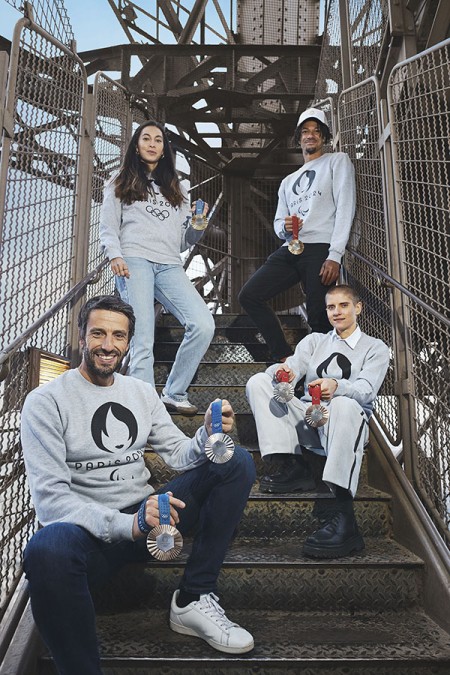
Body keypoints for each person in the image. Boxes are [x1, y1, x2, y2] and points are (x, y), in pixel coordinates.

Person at [21, 295, 256, 675]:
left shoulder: (140, 392)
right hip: (91, 536)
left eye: (118, 335)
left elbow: (179, 453)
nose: (108, 345)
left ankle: (193, 598)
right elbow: (51, 502)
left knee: (234, 460)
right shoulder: (46, 402)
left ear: (129, 342)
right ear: (82, 337)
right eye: (98, 333)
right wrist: (127, 525)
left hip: (150, 522)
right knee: (47, 548)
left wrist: (205, 436)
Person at [246, 285, 390, 558]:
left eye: (344, 305)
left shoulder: (376, 348)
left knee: (345, 405)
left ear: (357, 308)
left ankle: (345, 517)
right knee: (260, 382)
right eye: (331, 307)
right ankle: (294, 465)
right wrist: (281, 372)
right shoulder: (314, 342)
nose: (337, 312)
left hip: (345, 422)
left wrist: (337, 386)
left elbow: (366, 390)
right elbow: (291, 367)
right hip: (309, 418)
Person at [99, 119, 215, 415]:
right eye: (146, 138)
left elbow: (182, 242)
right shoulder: (119, 180)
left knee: (203, 324)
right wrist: (115, 255)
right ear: (136, 146)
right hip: (134, 260)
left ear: (164, 149)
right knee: (143, 338)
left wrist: (199, 224)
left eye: (158, 140)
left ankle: (174, 392)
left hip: (169, 264)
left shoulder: (177, 187)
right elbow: (109, 226)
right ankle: (144, 409)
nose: (152, 144)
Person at [238, 107, 356, 361]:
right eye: (305, 131)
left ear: (323, 136)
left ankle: (321, 375)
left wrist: (335, 255)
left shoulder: (337, 161)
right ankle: (283, 356)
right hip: (290, 248)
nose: (310, 136)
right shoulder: (288, 181)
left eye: (316, 131)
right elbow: (279, 223)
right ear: (299, 138)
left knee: (317, 316)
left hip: (321, 248)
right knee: (249, 295)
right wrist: (285, 228)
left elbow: (346, 206)